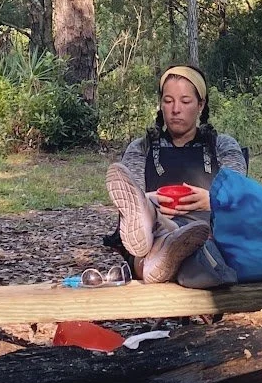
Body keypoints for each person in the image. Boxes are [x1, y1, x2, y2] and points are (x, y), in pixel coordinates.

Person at [105, 66, 247, 284]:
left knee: (195, 245)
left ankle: (163, 254)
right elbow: (130, 195)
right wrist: (149, 201)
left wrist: (211, 200)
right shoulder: (142, 148)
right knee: (144, 219)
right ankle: (158, 232)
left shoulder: (222, 146)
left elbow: (238, 192)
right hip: (150, 234)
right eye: (168, 101)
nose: (175, 109)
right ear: (161, 105)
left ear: (200, 105)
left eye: (185, 101)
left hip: (208, 234)